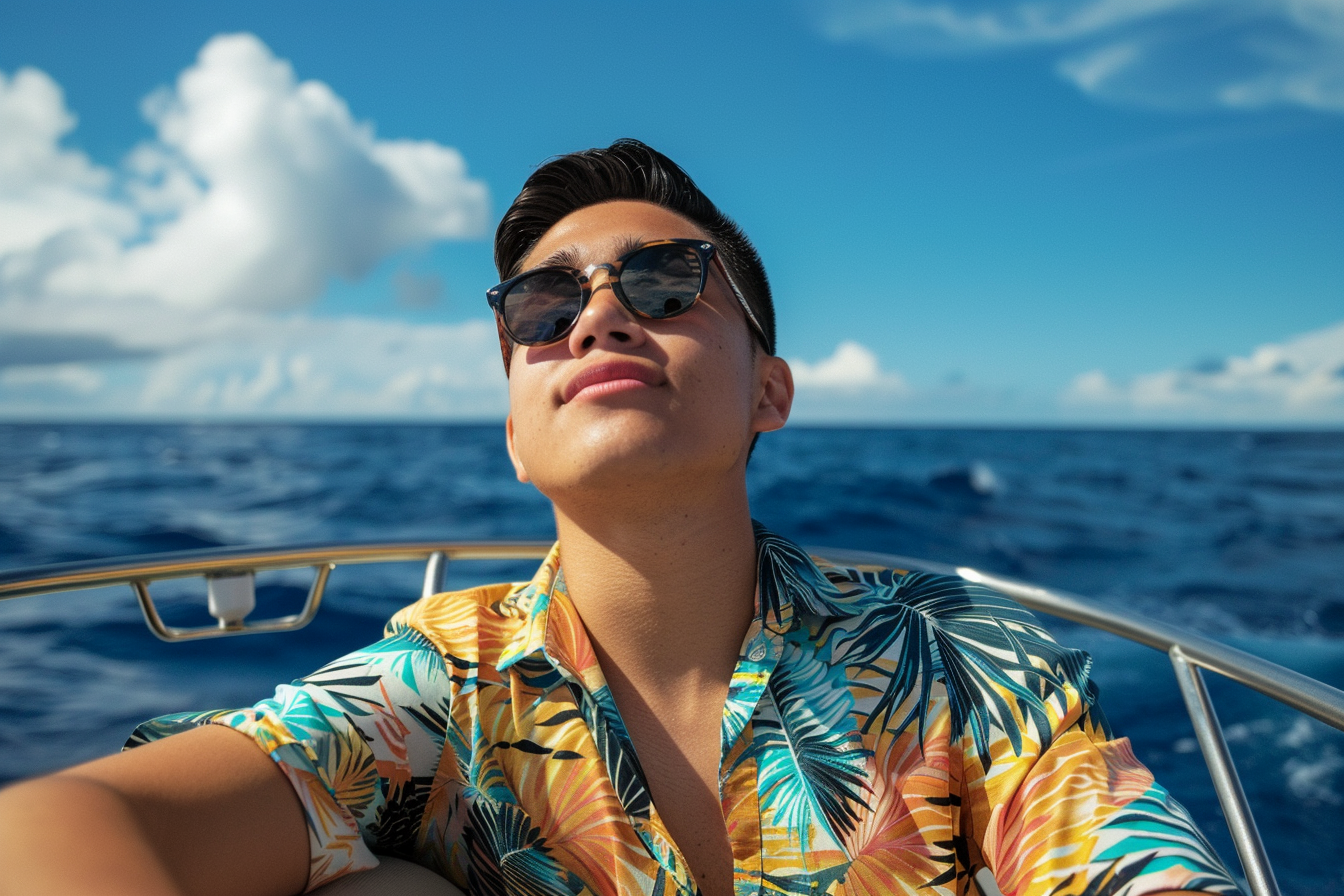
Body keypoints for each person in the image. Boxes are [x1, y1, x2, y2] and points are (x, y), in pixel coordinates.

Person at [0, 140, 1241, 896]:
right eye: (541, 309)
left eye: (662, 281)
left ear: (770, 389)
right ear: (513, 422)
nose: (593, 317)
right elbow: (62, 825)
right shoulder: (442, 676)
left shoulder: (958, 654)